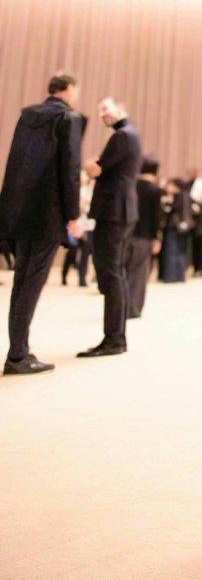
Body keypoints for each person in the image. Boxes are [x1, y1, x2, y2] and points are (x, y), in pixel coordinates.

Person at [0, 72, 84, 375]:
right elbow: (70, 171)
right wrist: (73, 215)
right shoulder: (69, 118)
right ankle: (17, 356)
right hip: (48, 214)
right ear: (69, 89)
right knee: (31, 285)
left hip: (21, 212)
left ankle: (18, 350)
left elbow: (14, 164)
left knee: (21, 283)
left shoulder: (28, 115)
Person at [79, 97, 142, 358]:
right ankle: (115, 338)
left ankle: (114, 339)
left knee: (112, 274)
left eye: (106, 108)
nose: (102, 114)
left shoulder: (122, 136)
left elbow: (95, 170)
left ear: (120, 108)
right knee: (115, 273)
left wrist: (89, 165)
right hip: (120, 212)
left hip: (114, 213)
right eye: (99, 110)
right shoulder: (129, 133)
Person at [125, 156, 163, 318]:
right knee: (139, 273)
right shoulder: (155, 190)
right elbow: (156, 216)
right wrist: (157, 237)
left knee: (123, 271)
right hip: (144, 236)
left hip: (126, 233)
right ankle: (133, 309)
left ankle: (120, 308)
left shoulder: (130, 185)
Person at [62, 169, 95, 287]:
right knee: (72, 251)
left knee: (86, 253)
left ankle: (82, 278)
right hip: (77, 225)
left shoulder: (90, 191)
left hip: (88, 225)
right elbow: (81, 207)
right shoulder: (77, 191)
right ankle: (64, 275)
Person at [159, 178, 190, 283]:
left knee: (171, 251)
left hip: (174, 227)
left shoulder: (178, 196)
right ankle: (179, 275)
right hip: (182, 227)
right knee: (180, 251)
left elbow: (174, 208)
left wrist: (167, 202)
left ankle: (170, 276)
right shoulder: (186, 194)